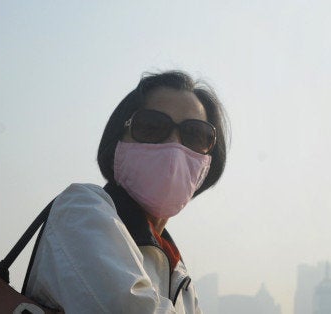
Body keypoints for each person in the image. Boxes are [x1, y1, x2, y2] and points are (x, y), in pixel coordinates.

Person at [23, 71, 228, 313]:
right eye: (152, 127)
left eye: (195, 134)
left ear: (208, 162)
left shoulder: (180, 276)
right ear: (118, 139)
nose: (174, 145)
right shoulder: (81, 210)